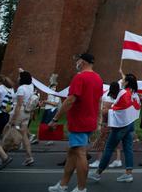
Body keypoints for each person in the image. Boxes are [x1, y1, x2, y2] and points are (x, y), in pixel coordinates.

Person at [48, 52, 104, 192]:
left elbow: (70, 100)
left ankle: (81, 188)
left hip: (79, 121)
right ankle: (63, 184)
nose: (76, 62)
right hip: (89, 121)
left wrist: (55, 118)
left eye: (78, 60)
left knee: (80, 153)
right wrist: (98, 119)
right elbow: (99, 101)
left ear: (83, 62)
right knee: (72, 153)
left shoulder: (79, 78)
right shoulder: (98, 78)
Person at [88, 73, 140, 183]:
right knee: (128, 148)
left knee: (109, 148)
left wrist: (108, 110)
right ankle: (128, 173)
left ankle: (98, 173)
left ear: (126, 82)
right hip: (130, 124)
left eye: (123, 80)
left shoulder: (123, 92)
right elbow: (134, 107)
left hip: (121, 125)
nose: (121, 81)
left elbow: (117, 107)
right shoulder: (135, 94)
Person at [89, 82, 122, 169]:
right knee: (116, 141)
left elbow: (103, 112)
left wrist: (100, 122)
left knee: (101, 141)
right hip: (116, 123)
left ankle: (98, 160)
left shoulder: (106, 97)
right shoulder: (119, 98)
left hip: (106, 123)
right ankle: (118, 160)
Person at [11, 70, 36, 166]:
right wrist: (23, 71)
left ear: (22, 78)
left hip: (20, 112)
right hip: (27, 113)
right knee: (25, 135)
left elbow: (19, 104)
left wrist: (13, 118)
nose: (18, 78)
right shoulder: (31, 87)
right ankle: (29, 157)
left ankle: (2, 156)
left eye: (19, 76)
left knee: (7, 132)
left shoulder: (21, 88)